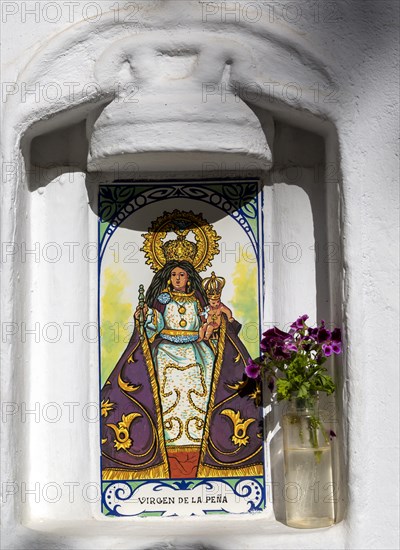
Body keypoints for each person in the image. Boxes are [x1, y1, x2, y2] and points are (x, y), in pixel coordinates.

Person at [101, 212, 263, 480]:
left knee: (208, 378)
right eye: (174, 274)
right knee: (163, 382)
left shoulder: (199, 300)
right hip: (165, 350)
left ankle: (204, 444)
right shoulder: (162, 299)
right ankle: (166, 445)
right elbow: (153, 325)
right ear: (168, 276)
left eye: (183, 274)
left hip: (197, 351)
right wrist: (145, 316)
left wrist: (220, 318)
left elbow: (210, 326)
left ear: (190, 277)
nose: (178, 278)